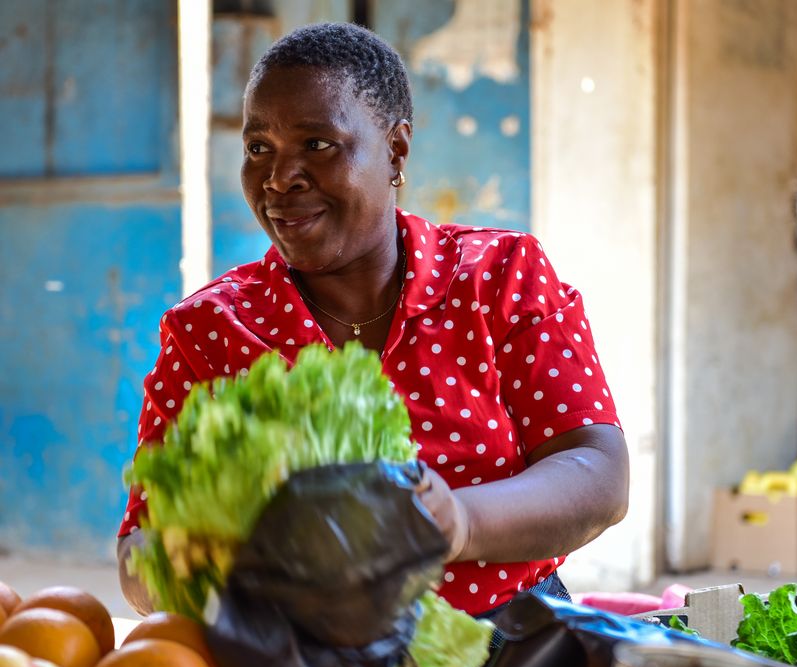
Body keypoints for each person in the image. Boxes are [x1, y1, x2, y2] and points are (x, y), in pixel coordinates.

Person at [117, 22, 628, 622]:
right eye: (259, 149)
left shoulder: (497, 278)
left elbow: (597, 469)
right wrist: (250, 566)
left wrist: (457, 524)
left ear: (396, 150)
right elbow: (140, 552)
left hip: (509, 646)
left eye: (318, 144)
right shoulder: (211, 329)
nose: (280, 179)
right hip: (296, 665)